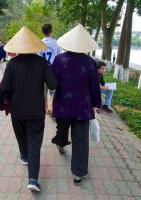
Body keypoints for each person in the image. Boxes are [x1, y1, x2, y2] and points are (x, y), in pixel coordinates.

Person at [1, 27, 58, 192]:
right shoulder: (42, 63)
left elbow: (4, 87)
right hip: (36, 111)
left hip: (16, 110)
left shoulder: (12, 64)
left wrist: (5, 96)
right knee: (35, 143)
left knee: (20, 135)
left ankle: (24, 157)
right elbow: (53, 84)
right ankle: (33, 179)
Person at [51, 24, 101, 186]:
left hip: (63, 104)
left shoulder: (59, 60)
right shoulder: (90, 62)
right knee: (81, 139)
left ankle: (60, 143)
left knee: (62, 129)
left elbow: (52, 82)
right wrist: (95, 105)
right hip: (82, 106)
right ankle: (78, 173)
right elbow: (95, 86)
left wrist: (51, 97)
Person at [38, 24, 61, 117]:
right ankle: (50, 108)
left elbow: (38, 57)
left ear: (42, 32)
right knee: (52, 90)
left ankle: (44, 107)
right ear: (51, 31)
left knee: (43, 90)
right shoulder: (57, 43)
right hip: (53, 69)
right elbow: (59, 56)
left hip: (42, 70)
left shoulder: (39, 42)